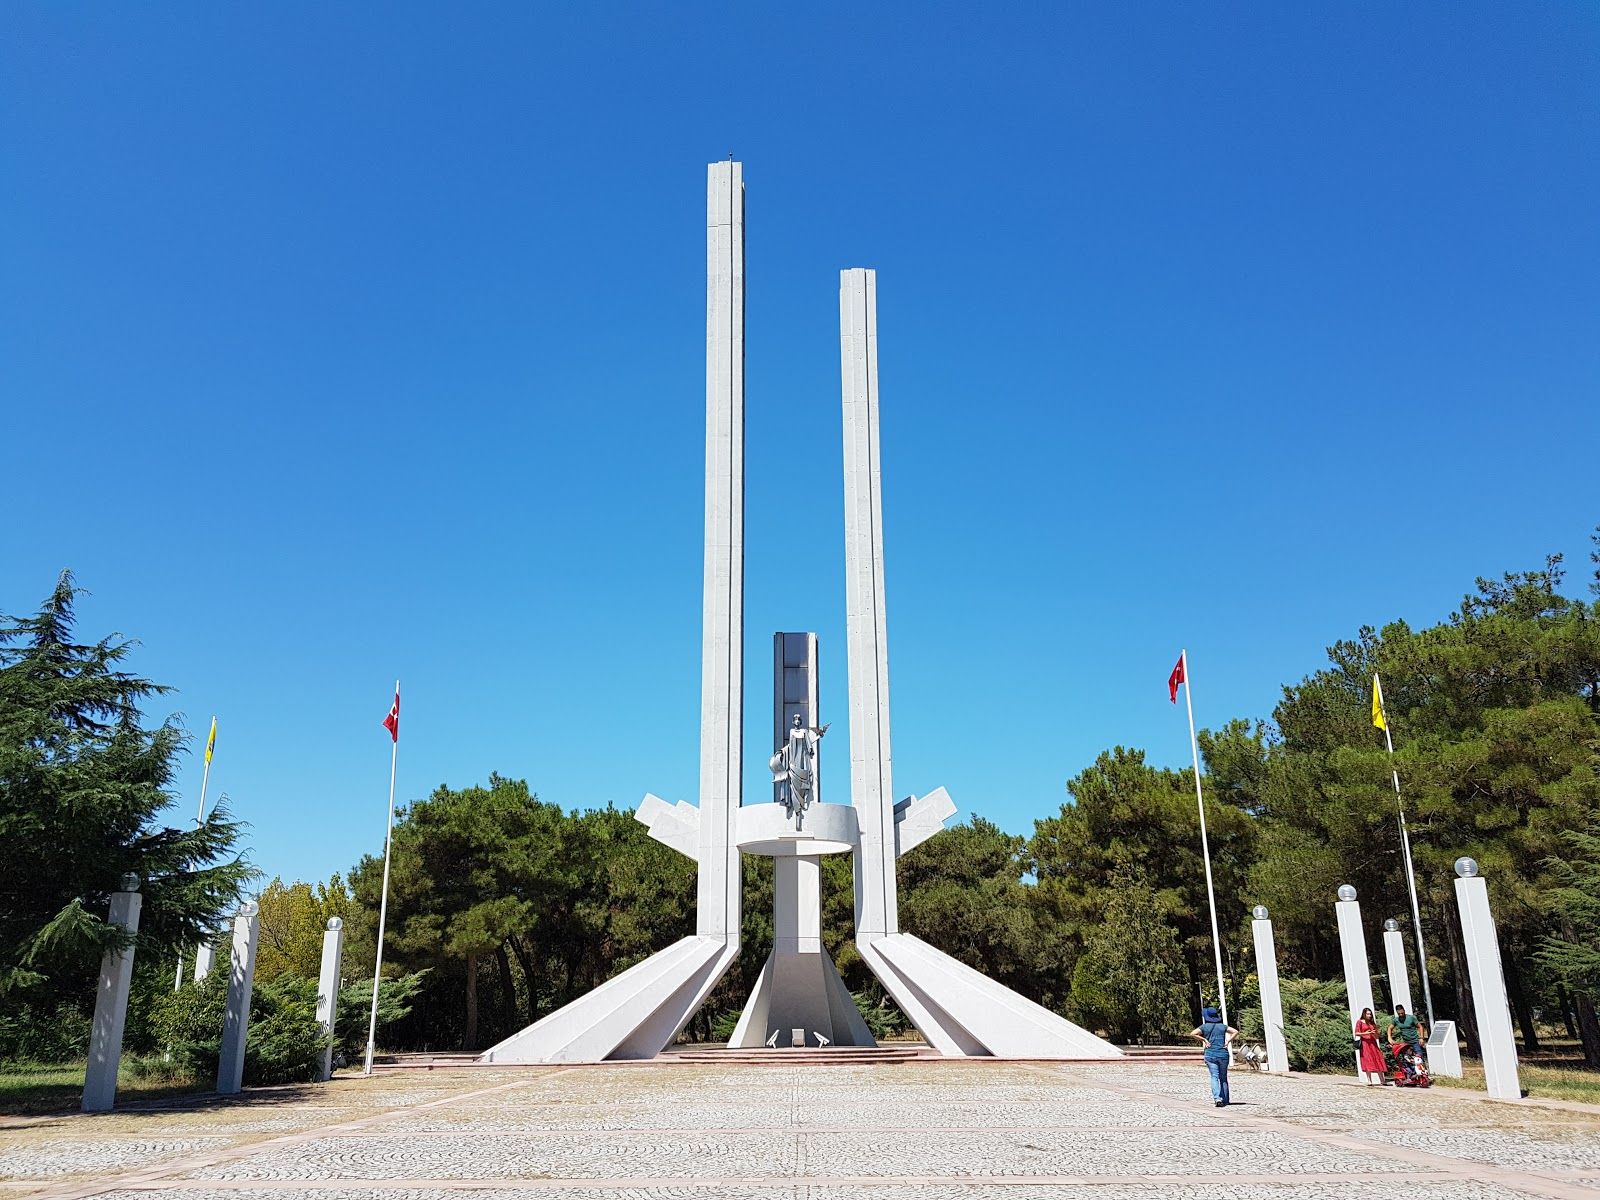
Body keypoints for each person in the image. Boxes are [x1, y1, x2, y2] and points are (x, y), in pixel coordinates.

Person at [1188, 1006, 1237, 1106]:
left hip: (1210, 1054)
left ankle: (1217, 1098)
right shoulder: (1223, 1026)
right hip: (1223, 1054)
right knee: (1223, 1077)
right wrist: (1228, 1041)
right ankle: (1226, 1100)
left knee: (1214, 1076)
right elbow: (1235, 1031)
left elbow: (1193, 1033)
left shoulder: (1204, 1027)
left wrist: (1204, 1040)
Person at [1354, 1007, 1387, 1085]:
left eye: (1370, 1014)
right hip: (1365, 1043)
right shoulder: (1360, 1022)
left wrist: (1375, 1033)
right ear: (1364, 1014)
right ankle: (1369, 1080)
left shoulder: (1372, 1023)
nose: (1369, 1015)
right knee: (1367, 1059)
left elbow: (1377, 1036)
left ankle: (1382, 1080)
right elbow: (1356, 1033)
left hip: (1373, 1043)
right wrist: (1366, 1033)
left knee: (1377, 1058)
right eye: (1368, 1014)